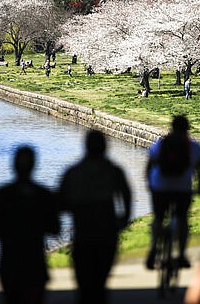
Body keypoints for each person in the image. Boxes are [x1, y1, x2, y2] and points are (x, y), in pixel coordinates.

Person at [59, 130, 131, 304]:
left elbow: (60, 203)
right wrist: (124, 219)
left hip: (83, 234)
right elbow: (126, 194)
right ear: (106, 146)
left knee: (84, 285)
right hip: (107, 234)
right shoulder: (113, 171)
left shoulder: (74, 172)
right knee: (100, 282)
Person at [0, 146, 60, 304]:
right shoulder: (44, 195)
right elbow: (55, 228)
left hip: (9, 262)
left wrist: (9, 233)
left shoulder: (0, 194)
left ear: (13, 165)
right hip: (35, 263)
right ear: (35, 165)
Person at [146, 115, 200, 269]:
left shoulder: (161, 144)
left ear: (171, 128)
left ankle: (153, 249)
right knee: (182, 218)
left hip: (160, 187)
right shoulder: (194, 146)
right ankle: (181, 255)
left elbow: (149, 165)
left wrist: (149, 184)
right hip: (182, 188)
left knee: (158, 218)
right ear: (187, 129)